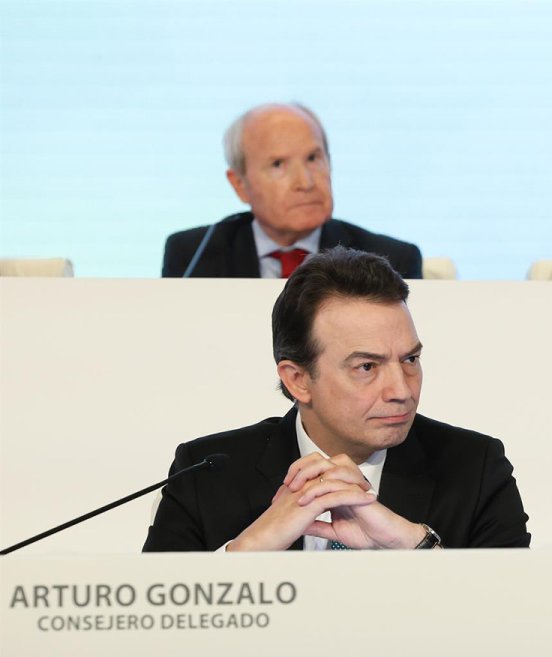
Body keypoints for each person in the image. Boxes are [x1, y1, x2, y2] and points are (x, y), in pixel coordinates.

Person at [144, 248, 529, 551]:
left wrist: (415, 544)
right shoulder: (205, 475)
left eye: (410, 359)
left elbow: (518, 619)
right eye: (367, 367)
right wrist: (246, 554)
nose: (402, 390)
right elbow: (149, 636)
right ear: (298, 380)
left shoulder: (474, 469)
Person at [162, 103, 423, 279]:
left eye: (313, 158)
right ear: (240, 184)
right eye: (278, 165)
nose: (305, 182)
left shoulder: (391, 261)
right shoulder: (194, 255)